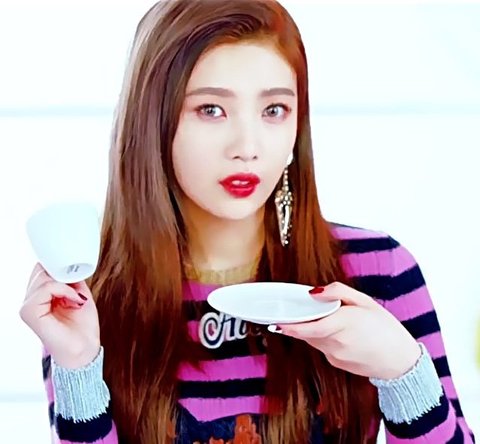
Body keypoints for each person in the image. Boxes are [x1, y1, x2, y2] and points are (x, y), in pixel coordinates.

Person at [20, 1, 475, 443]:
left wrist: (402, 371)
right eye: (211, 109)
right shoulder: (90, 296)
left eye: (273, 110)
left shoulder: (377, 270)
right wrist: (77, 365)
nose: (247, 147)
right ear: (153, 121)